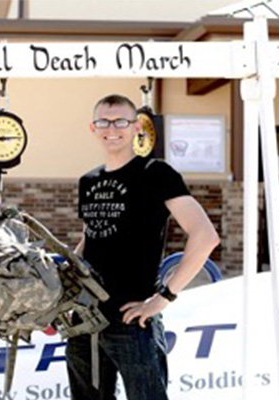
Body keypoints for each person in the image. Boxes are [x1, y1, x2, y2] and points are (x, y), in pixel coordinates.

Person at [66, 94, 220, 400]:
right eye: (104, 122)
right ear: (92, 128)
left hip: (132, 319)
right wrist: (61, 291)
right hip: (83, 319)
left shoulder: (156, 173)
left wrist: (162, 298)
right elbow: (91, 238)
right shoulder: (89, 180)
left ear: (137, 127)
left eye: (121, 121)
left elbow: (205, 236)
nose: (112, 128)